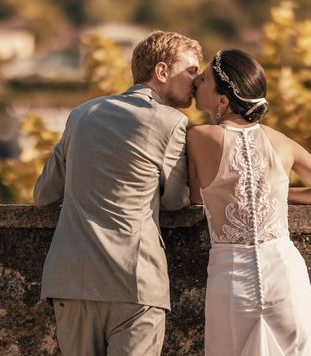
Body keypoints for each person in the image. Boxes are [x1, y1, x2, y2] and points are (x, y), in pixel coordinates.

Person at [33, 31, 202, 356]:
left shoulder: (82, 114)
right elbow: (174, 202)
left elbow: (44, 195)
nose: (195, 81)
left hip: (72, 280)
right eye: (191, 70)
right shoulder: (172, 123)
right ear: (162, 72)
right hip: (134, 282)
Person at [187, 49, 311, 356]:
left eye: (203, 78)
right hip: (285, 274)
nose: (197, 81)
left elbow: (193, 199)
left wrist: (277, 192)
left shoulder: (198, 138)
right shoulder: (280, 142)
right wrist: (276, 192)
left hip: (231, 279)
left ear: (223, 100)